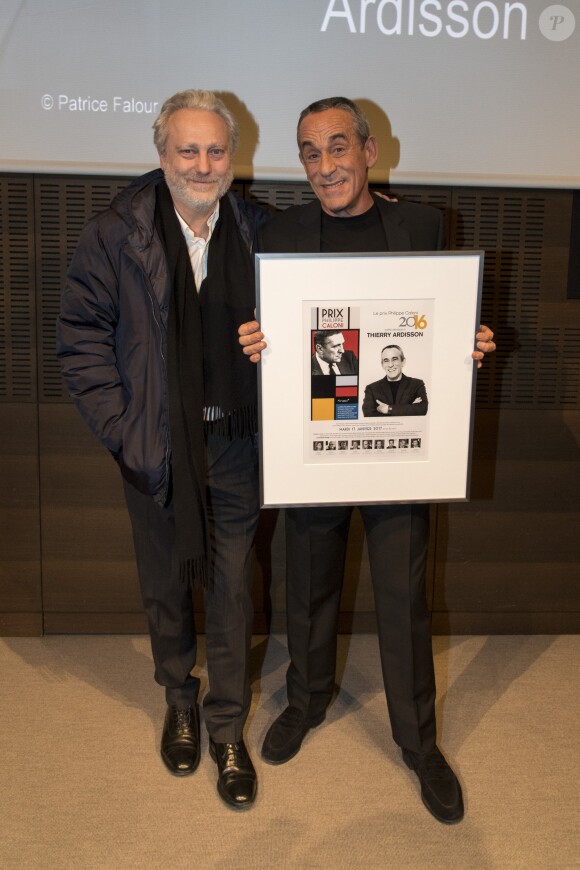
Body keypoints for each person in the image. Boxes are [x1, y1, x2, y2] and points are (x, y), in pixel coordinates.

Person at [239, 96, 496, 824]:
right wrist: (256, 341)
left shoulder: (422, 226)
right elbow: (277, 334)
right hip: (318, 443)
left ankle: (418, 743)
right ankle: (306, 701)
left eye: (338, 147)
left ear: (369, 150)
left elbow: (435, 324)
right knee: (308, 585)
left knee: (403, 599)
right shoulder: (280, 234)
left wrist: (468, 342)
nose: (325, 166)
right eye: (310, 152)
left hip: (397, 453)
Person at [56, 89, 272, 810]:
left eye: (216, 150)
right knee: (165, 585)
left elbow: (318, 311)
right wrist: (126, 432)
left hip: (236, 441)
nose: (203, 164)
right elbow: (81, 339)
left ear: (232, 156)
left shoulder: (260, 230)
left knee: (233, 587)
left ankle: (227, 727)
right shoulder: (116, 234)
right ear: (162, 153)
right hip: (155, 444)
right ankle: (180, 698)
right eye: (188, 150)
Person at [362, 345, 428, 417]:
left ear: (403, 362)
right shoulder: (372, 389)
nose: (390, 365)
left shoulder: (416, 385)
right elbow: (368, 414)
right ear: (382, 364)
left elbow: (422, 409)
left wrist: (388, 409)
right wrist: (409, 408)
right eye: (386, 360)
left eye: (394, 359)